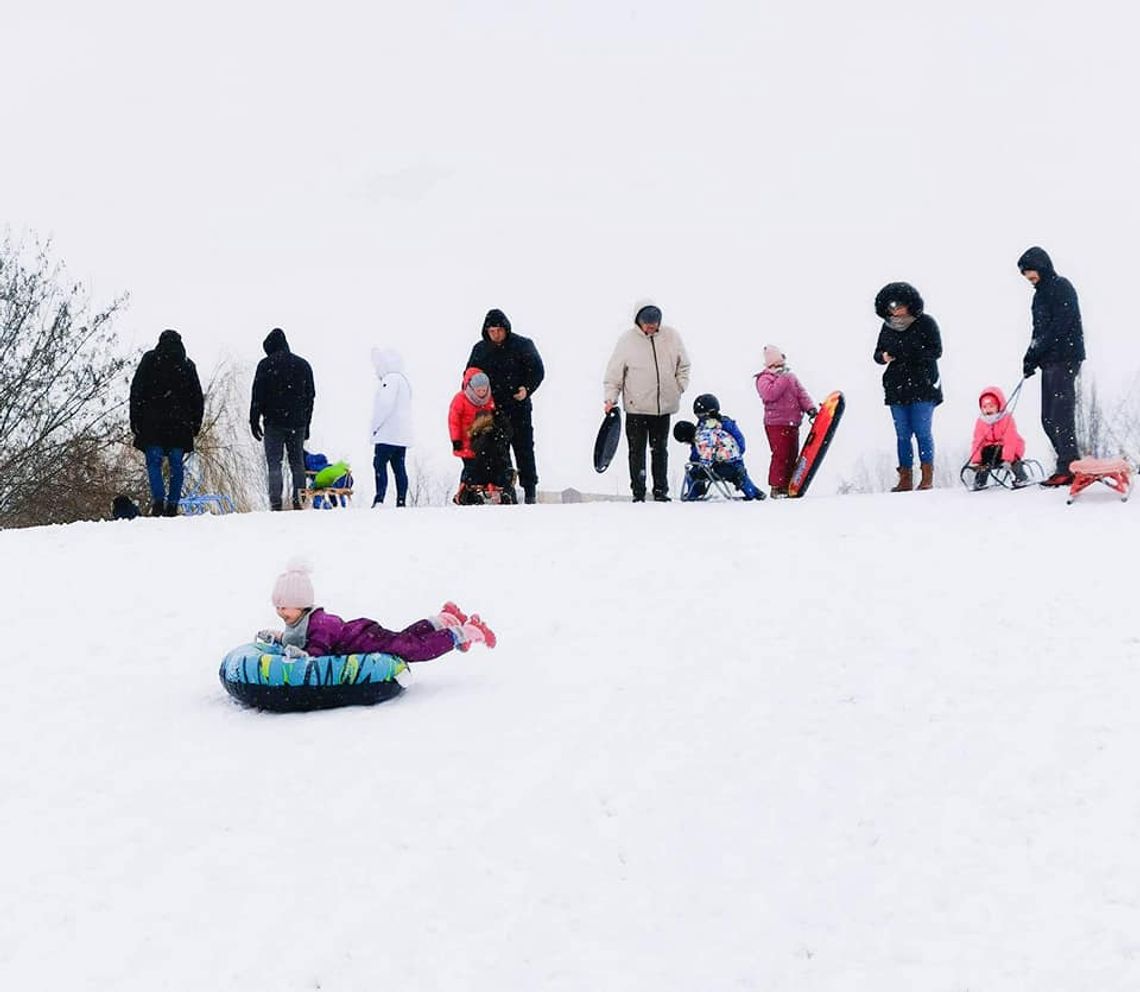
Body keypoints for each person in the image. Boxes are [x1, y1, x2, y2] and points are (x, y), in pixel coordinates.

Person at [257, 560, 496, 659]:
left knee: (414, 650)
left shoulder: (319, 624)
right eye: (277, 607)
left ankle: (466, 632)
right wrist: (278, 638)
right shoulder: (300, 621)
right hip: (366, 633)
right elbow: (295, 640)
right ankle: (444, 619)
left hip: (366, 640)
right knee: (406, 637)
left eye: (284, 607)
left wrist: (300, 655)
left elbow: (315, 653)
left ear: (302, 604)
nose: (280, 612)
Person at [603, 302, 691, 501]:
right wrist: (610, 398)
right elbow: (614, 374)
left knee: (660, 450)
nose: (651, 327)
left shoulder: (672, 336)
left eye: (655, 323)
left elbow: (684, 365)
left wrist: (679, 387)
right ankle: (639, 492)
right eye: (647, 323)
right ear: (639, 322)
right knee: (637, 452)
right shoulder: (626, 341)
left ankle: (661, 491)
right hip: (636, 408)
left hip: (663, 407)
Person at [1018, 246, 1085, 487]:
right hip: (1049, 360)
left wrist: (1038, 350)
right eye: (1025, 274)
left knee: (1060, 413)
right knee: (1047, 417)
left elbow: (1060, 326)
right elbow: (1039, 332)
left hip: (1065, 357)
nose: (1028, 277)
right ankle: (1068, 462)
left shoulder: (1061, 287)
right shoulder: (1038, 295)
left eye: (1030, 271)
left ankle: (1068, 466)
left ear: (1042, 266)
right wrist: (1030, 358)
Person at [466, 309, 545, 503]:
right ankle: (505, 492)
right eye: (491, 331)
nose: (496, 334)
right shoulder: (480, 350)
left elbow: (537, 370)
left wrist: (527, 388)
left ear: (506, 328)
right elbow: (469, 374)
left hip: (518, 407)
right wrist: (475, 394)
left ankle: (530, 492)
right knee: (496, 451)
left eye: (499, 330)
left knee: (524, 448)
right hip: (491, 409)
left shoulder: (522, 345)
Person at [872, 283, 943, 492]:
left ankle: (927, 476)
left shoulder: (926, 323)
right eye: (890, 306)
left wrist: (910, 353)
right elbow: (877, 353)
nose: (894, 310)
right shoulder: (887, 327)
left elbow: (936, 350)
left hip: (923, 385)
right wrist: (883, 357)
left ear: (909, 304)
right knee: (902, 434)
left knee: (922, 431)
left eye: (897, 305)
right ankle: (905, 478)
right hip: (896, 387)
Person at [129, 329, 204, 516]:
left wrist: (135, 418)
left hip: (152, 423)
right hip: (179, 425)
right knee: (176, 465)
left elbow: (136, 390)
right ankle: (173, 504)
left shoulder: (150, 360)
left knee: (154, 462)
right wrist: (196, 423)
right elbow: (197, 397)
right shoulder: (187, 365)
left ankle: (158, 501)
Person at [250, 327, 316, 510]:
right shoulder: (303, 365)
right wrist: (307, 423)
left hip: (273, 423)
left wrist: (254, 420)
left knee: (274, 463)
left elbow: (257, 395)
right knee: (297, 462)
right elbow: (310, 397)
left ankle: (276, 503)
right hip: (297, 423)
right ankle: (299, 500)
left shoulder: (265, 365)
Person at [753, 345, 817, 498]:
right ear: (772, 364)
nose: (782, 368)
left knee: (792, 454)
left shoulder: (790, 377)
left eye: (783, 364)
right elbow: (770, 394)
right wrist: (783, 379)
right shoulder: (764, 378)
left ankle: (789, 484)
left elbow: (801, 394)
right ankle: (777, 486)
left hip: (793, 422)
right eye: (779, 365)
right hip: (775, 424)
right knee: (780, 454)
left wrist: (810, 408)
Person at [674, 394, 763, 501]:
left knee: (735, 472)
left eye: (703, 415)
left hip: (730, 460)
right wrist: (696, 460)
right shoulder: (701, 428)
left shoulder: (726, 424)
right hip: (709, 461)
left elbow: (740, 444)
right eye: (698, 416)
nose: (701, 419)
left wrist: (725, 453)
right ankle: (696, 491)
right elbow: (699, 448)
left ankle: (752, 491)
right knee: (693, 472)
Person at [448, 367, 515, 504]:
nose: (481, 393)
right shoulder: (460, 399)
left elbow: (491, 418)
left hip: (483, 442)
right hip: (466, 443)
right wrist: (456, 440)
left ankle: (495, 491)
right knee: (471, 469)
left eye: (484, 390)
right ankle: (465, 492)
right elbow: (453, 421)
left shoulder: (489, 400)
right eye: (479, 390)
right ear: (471, 387)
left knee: (490, 467)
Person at [370, 347, 413, 507]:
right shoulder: (403, 381)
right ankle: (401, 500)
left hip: (387, 434)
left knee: (380, 465)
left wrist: (375, 427)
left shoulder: (389, 380)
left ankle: (379, 498)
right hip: (401, 435)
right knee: (399, 468)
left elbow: (384, 405)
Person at [968, 385, 1028, 489]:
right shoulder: (981, 422)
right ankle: (980, 481)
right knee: (984, 457)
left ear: (999, 406)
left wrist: (1007, 459)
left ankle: (1021, 477)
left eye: (991, 406)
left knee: (1013, 457)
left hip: (1009, 448)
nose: (988, 410)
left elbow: (1010, 440)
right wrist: (976, 460)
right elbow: (977, 441)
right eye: (985, 407)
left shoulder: (1006, 419)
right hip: (992, 449)